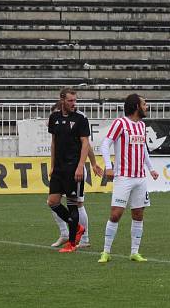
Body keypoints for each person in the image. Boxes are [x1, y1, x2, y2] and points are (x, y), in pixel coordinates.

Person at [97, 94, 159, 264]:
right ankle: (106, 251)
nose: (147, 107)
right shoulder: (120, 123)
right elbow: (105, 144)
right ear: (136, 106)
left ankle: (134, 252)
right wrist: (108, 167)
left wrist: (151, 169)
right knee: (116, 214)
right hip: (123, 177)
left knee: (138, 214)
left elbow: (143, 149)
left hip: (140, 178)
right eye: (144, 104)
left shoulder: (141, 126)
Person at [46, 87, 100, 253]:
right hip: (59, 169)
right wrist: (52, 165)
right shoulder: (54, 117)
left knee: (75, 204)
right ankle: (75, 228)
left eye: (74, 100)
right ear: (62, 100)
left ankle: (77, 240)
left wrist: (85, 164)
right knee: (52, 202)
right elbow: (54, 142)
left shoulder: (80, 118)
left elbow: (86, 143)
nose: (73, 103)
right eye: (70, 100)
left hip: (74, 168)